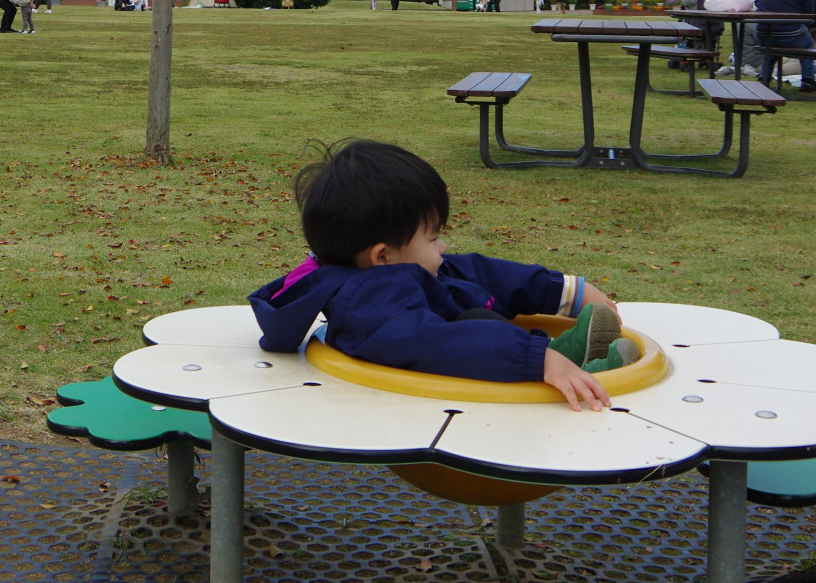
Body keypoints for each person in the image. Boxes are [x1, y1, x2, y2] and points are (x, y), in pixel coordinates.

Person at [248, 141, 627, 412]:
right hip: (454, 412)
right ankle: (587, 372)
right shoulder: (370, 307)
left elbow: (480, 273)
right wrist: (537, 359)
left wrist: (567, 292)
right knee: (476, 322)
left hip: (479, 391)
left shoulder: (399, 270)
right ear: (383, 255)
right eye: (433, 237)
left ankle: (571, 351)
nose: (443, 246)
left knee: (474, 303)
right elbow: (438, 344)